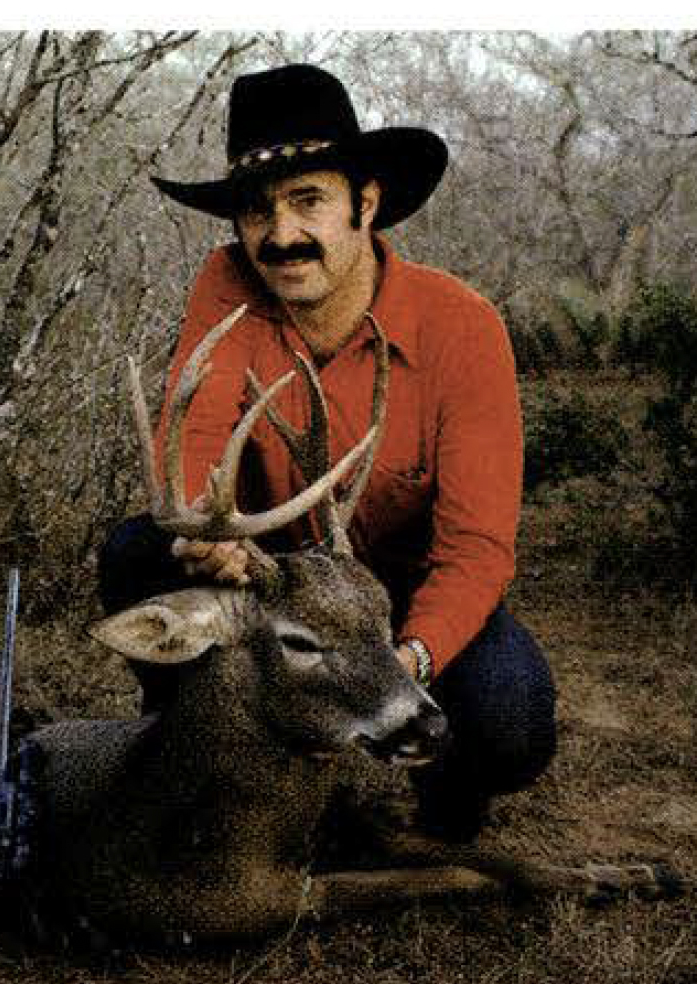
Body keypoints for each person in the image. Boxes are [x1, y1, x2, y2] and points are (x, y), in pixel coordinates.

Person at [98, 63, 555, 843]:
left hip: (403, 597)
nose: (280, 235)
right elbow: (197, 437)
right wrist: (211, 538)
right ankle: (211, 757)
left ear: (364, 206)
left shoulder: (461, 326)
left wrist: (407, 661)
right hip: (282, 579)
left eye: (308, 200)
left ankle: (448, 793)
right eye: (256, 210)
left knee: (507, 716)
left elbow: (477, 549)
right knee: (139, 554)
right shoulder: (229, 285)